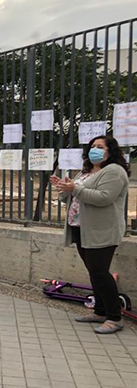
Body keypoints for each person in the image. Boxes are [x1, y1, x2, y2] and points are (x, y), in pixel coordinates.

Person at [52, 135, 130, 334]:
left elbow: (104, 198)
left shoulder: (114, 171)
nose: (95, 149)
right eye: (93, 146)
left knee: (100, 272)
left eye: (100, 147)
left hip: (102, 230)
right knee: (94, 271)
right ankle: (100, 311)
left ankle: (114, 317)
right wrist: (63, 186)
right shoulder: (86, 172)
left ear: (110, 151)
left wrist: (75, 188)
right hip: (81, 228)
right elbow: (67, 196)